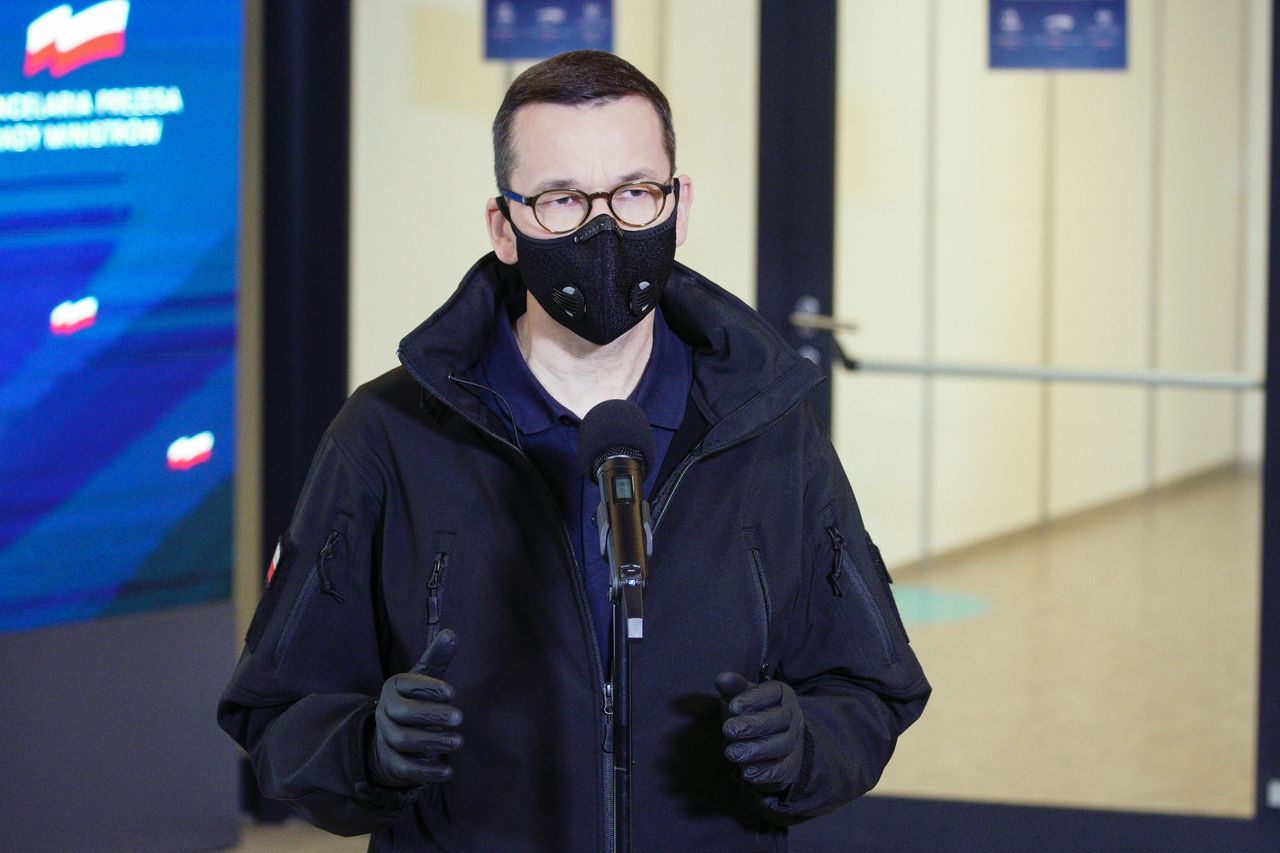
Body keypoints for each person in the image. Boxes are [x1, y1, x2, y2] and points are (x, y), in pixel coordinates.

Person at [219, 50, 929, 851]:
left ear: (679, 204)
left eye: (634, 192)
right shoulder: (386, 435)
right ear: (505, 226)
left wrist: (805, 745)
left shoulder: (767, 427)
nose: (603, 228)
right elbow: (276, 705)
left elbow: (869, 685)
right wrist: (365, 753)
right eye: (560, 199)